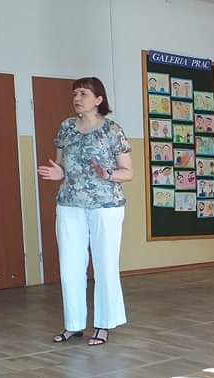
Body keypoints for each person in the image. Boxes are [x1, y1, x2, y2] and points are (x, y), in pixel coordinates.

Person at [38, 77, 133, 346]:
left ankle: (104, 324)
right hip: (70, 203)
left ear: (98, 100)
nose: (77, 98)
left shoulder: (113, 130)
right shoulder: (66, 127)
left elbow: (128, 172)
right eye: (75, 94)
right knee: (70, 266)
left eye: (83, 94)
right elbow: (61, 165)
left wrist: (109, 174)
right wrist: (58, 173)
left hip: (106, 205)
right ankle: (74, 325)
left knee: (105, 264)